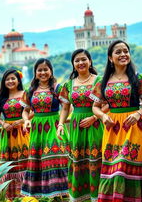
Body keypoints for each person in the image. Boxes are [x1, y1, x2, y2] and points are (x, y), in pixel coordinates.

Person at [91, 40, 142, 202]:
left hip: (135, 127)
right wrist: (104, 116)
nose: (123, 55)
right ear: (110, 58)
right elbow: (95, 107)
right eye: (118, 52)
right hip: (113, 129)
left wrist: (138, 114)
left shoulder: (139, 78)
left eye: (125, 51)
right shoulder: (102, 81)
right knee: (114, 170)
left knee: (124, 167)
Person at [57, 49, 104, 202]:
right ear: (73, 64)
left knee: (96, 159)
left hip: (95, 125)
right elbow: (65, 108)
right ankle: (79, 197)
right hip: (76, 127)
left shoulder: (100, 80)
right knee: (78, 160)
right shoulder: (68, 84)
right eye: (77, 60)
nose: (80, 63)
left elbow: (108, 105)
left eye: (84, 59)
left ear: (90, 61)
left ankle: (98, 197)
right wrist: (61, 124)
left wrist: (94, 118)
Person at [20, 58, 68, 198]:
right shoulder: (30, 90)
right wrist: (26, 121)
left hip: (54, 126)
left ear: (51, 71)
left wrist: (60, 124)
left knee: (55, 157)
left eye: (45, 69)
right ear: (35, 73)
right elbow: (25, 110)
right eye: (39, 70)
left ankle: (62, 194)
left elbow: (66, 107)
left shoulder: (58, 88)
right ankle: (45, 197)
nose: (43, 72)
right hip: (37, 129)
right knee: (39, 160)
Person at [0, 69, 29, 200]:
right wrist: (3, 124)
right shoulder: (1, 98)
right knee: (9, 165)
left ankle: (27, 194)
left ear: (18, 80)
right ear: (4, 82)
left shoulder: (25, 94)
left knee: (26, 161)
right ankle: (10, 196)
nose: (10, 81)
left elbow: (32, 112)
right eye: (7, 79)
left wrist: (21, 120)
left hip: (23, 132)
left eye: (13, 78)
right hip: (8, 134)